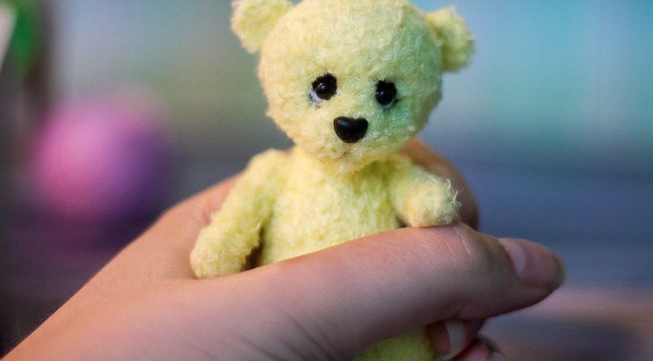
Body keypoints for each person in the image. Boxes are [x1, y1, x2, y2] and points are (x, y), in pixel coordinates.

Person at [4, 140, 564, 360]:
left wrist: (428, 205)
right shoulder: (274, 171)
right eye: (323, 87)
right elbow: (229, 231)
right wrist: (221, 249)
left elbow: (427, 200)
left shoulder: (393, 169)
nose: (349, 115)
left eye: (383, 92)